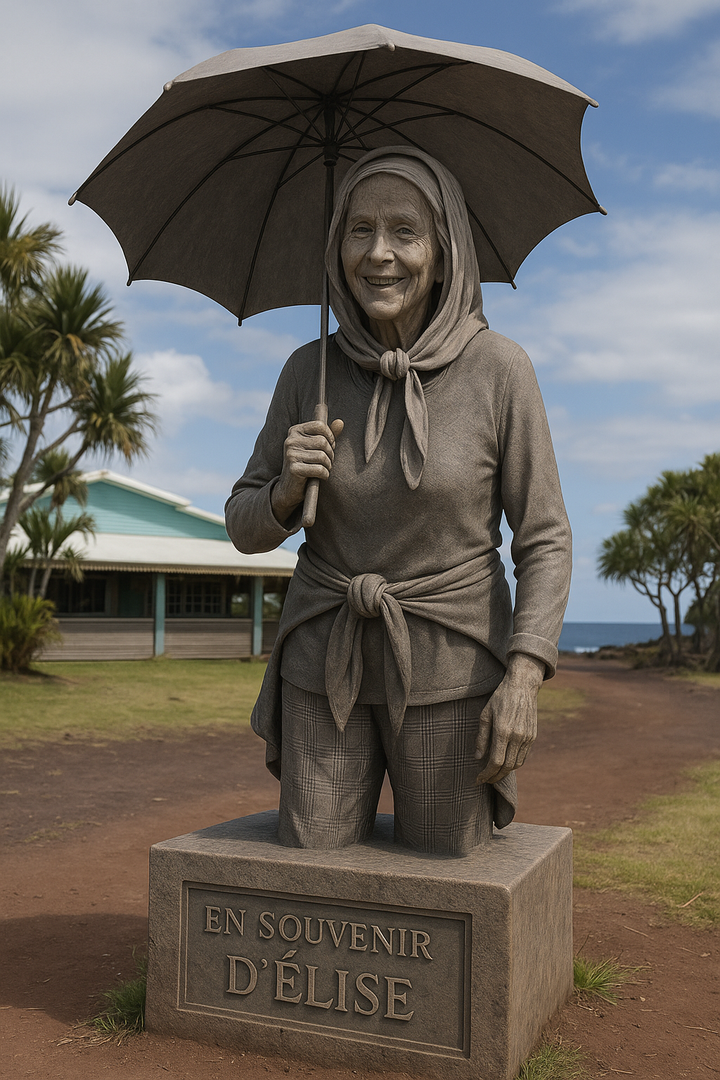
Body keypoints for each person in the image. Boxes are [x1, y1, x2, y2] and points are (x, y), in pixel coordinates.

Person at [225, 146, 571, 856]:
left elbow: (544, 537)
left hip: (453, 664)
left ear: (445, 255)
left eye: (404, 232)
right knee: (312, 857)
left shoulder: (499, 370)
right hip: (325, 662)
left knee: (449, 866)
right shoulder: (307, 370)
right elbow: (243, 524)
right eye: (359, 230)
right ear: (337, 247)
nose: (378, 253)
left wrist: (525, 677)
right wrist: (287, 491)